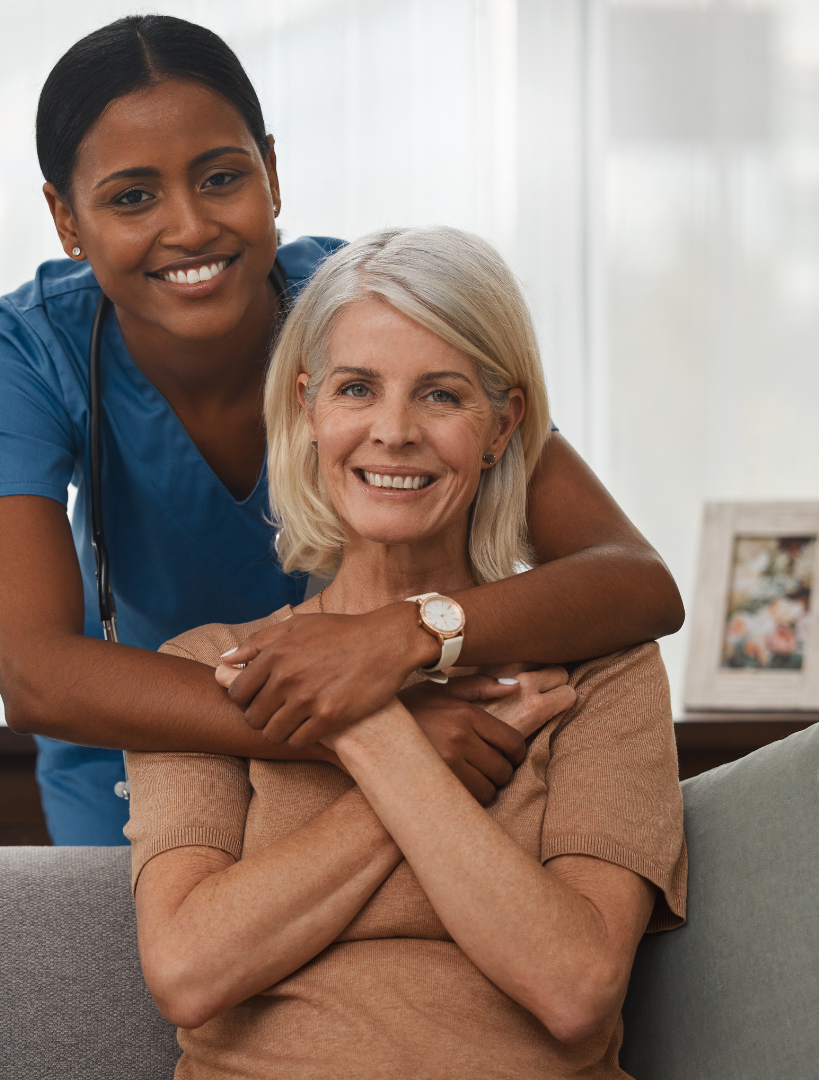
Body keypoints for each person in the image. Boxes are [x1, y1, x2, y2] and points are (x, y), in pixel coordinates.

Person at [0, 15, 684, 845]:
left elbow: (635, 579)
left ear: (271, 172)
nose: (190, 227)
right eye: (132, 197)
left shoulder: (367, 308)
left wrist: (400, 639)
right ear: (66, 220)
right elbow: (33, 673)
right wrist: (365, 728)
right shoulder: (24, 353)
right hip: (159, 743)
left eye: (222, 177)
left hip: (413, 700)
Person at [125, 226, 687, 1079]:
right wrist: (407, 742)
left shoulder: (601, 669)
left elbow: (575, 987)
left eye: (441, 396)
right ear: (309, 408)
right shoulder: (210, 669)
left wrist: (367, 722)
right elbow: (190, 974)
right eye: (358, 389)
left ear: (503, 427)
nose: (393, 432)